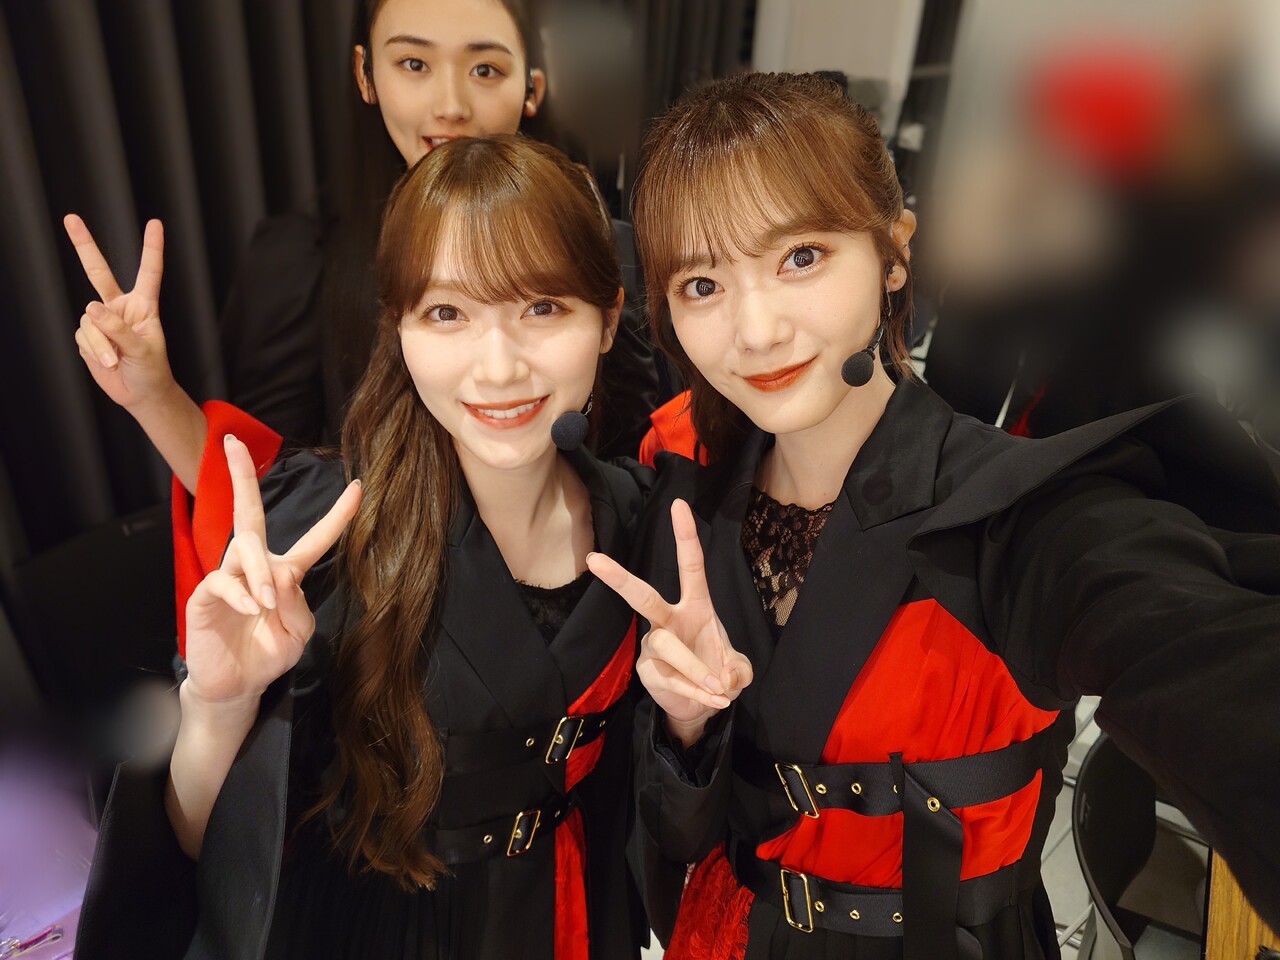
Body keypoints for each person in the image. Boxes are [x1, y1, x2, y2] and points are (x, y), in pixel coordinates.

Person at [585, 72, 1280, 959]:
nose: (754, 331)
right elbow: (681, 840)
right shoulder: (689, 486)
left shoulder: (1018, 514)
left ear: (893, 253)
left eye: (800, 257)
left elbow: (1187, 642)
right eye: (701, 284)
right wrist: (687, 725)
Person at [75, 136, 649, 960]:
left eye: (544, 308)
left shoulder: (638, 515)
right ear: (399, 328)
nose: (498, 368)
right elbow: (203, 858)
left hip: (574, 917)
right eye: (447, 313)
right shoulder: (326, 535)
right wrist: (218, 704)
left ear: (609, 318)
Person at [64, 0, 660, 649]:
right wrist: (152, 393)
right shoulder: (303, 260)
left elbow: (641, 446)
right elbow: (269, 489)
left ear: (532, 88)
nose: (451, 105)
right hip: (395, 603)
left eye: (485, 69)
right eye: (414, 63)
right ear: (366, 74)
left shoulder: (604, 248)